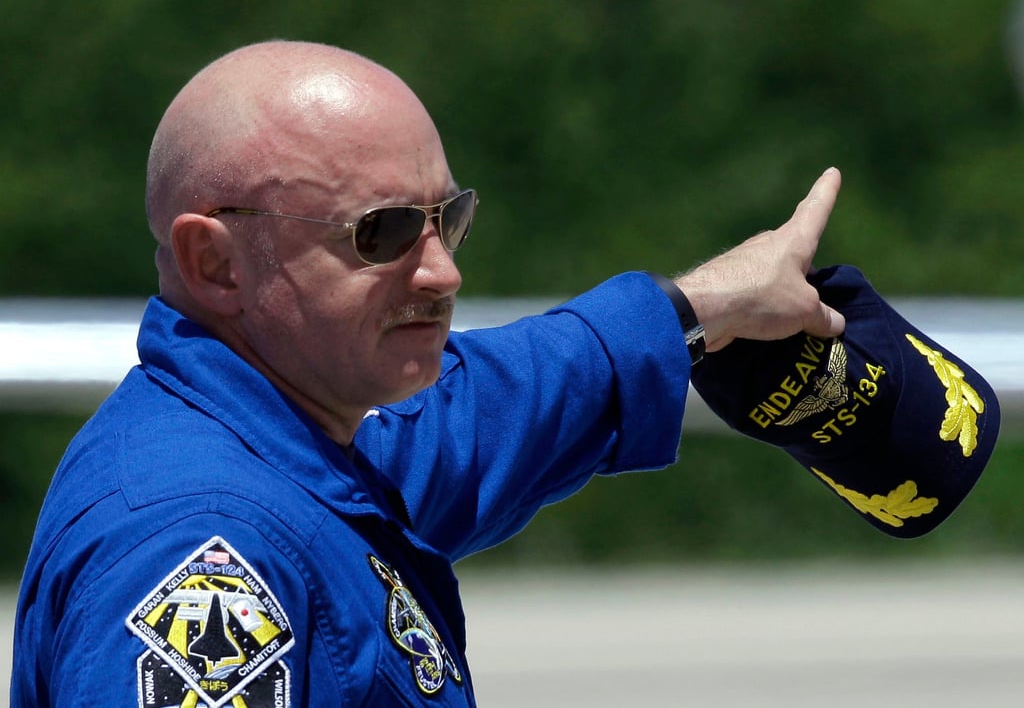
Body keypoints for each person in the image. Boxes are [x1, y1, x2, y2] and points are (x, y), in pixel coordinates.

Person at [11, 40, 845, 707]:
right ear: (216, 262)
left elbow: (492, 408)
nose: (442, 272)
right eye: (383, 233)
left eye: (450, 217)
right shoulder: (198, 549)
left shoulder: (299, 445)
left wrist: (705, 303)